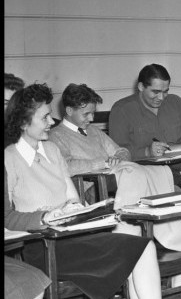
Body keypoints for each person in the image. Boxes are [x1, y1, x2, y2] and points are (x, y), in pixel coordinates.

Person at [48, 83, 181, 284]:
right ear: (69, 111)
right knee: (150, 181)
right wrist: (104, 162)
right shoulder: (56, 136)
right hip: (94, 191)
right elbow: (67, 166)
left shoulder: (93, 131)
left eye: (93, 114)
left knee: (166, 180)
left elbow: (121, 151)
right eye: (86, 114)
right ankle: (172, 240)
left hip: (118, 182)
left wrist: (118, 156)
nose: (91, 119)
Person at [4, 83, 162, 299]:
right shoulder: (9, 158)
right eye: (45, 118)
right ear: (23, 122)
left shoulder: (51, 149)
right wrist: (44, 217)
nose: (52, 122)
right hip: (44, 244)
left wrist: (78, 209)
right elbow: (7, 217)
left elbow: (72, 199)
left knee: (144, 247)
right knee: (137, 250)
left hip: (73, 236)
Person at [108, 63, 181, 184]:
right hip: (143, 174)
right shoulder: (122, 109)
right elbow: (117, 152)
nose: (161, 97)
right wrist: (147, 152)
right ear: (140, 87)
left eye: (165, 92)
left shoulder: (175, 102)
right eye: (155, 92)